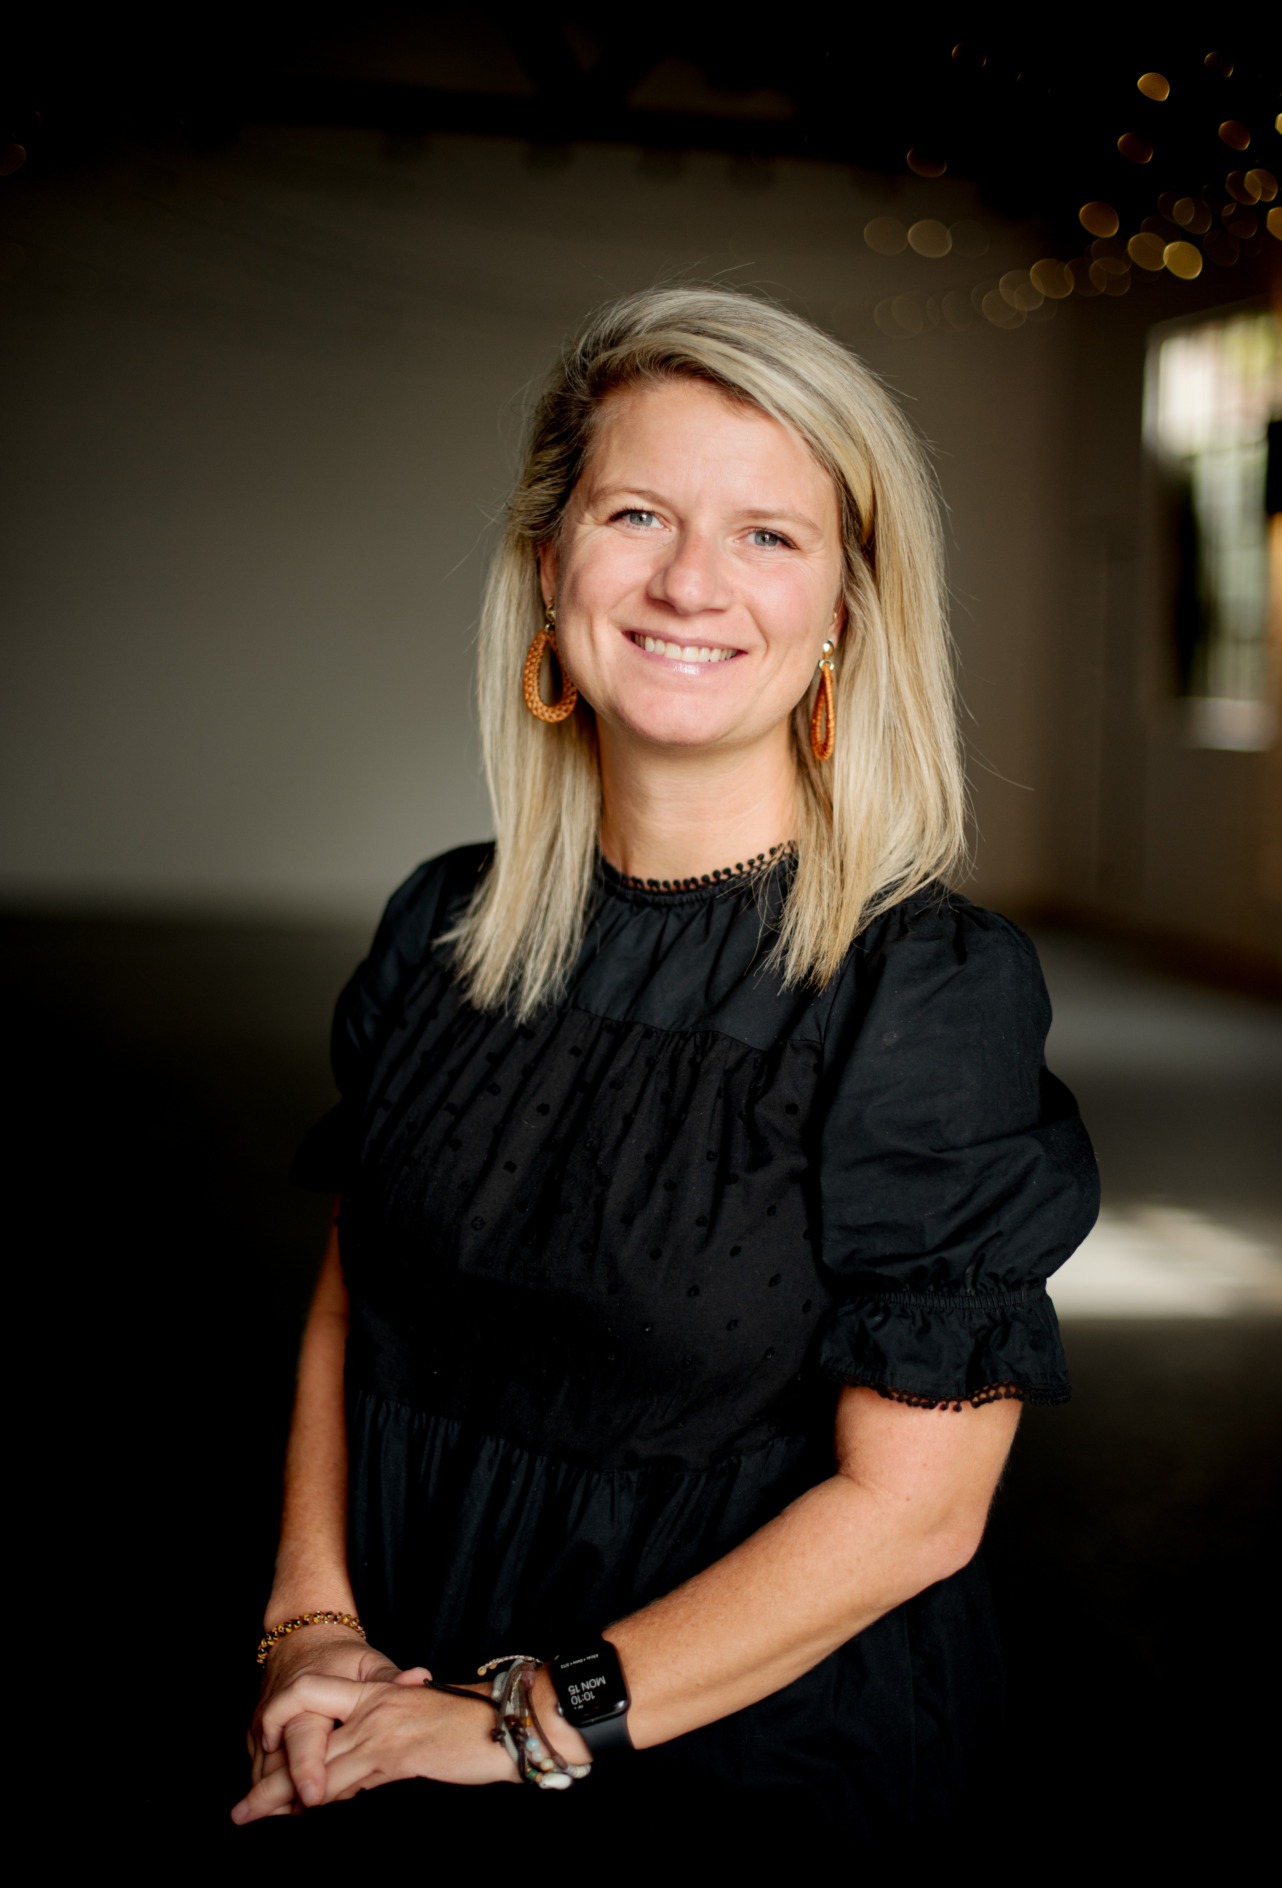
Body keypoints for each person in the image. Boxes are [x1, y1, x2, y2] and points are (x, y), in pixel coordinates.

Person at [232, 285, 1098, 1843]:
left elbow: (915, 1517)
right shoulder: (446, 922)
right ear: (548, 562)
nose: (692, 581)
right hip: (390, 1713)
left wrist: (525, 1722)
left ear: (845, 606)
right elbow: (352, 1294)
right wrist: (311, 1637)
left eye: (769, 534)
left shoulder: (924, 989)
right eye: (637, 512)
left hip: (742, 1771)